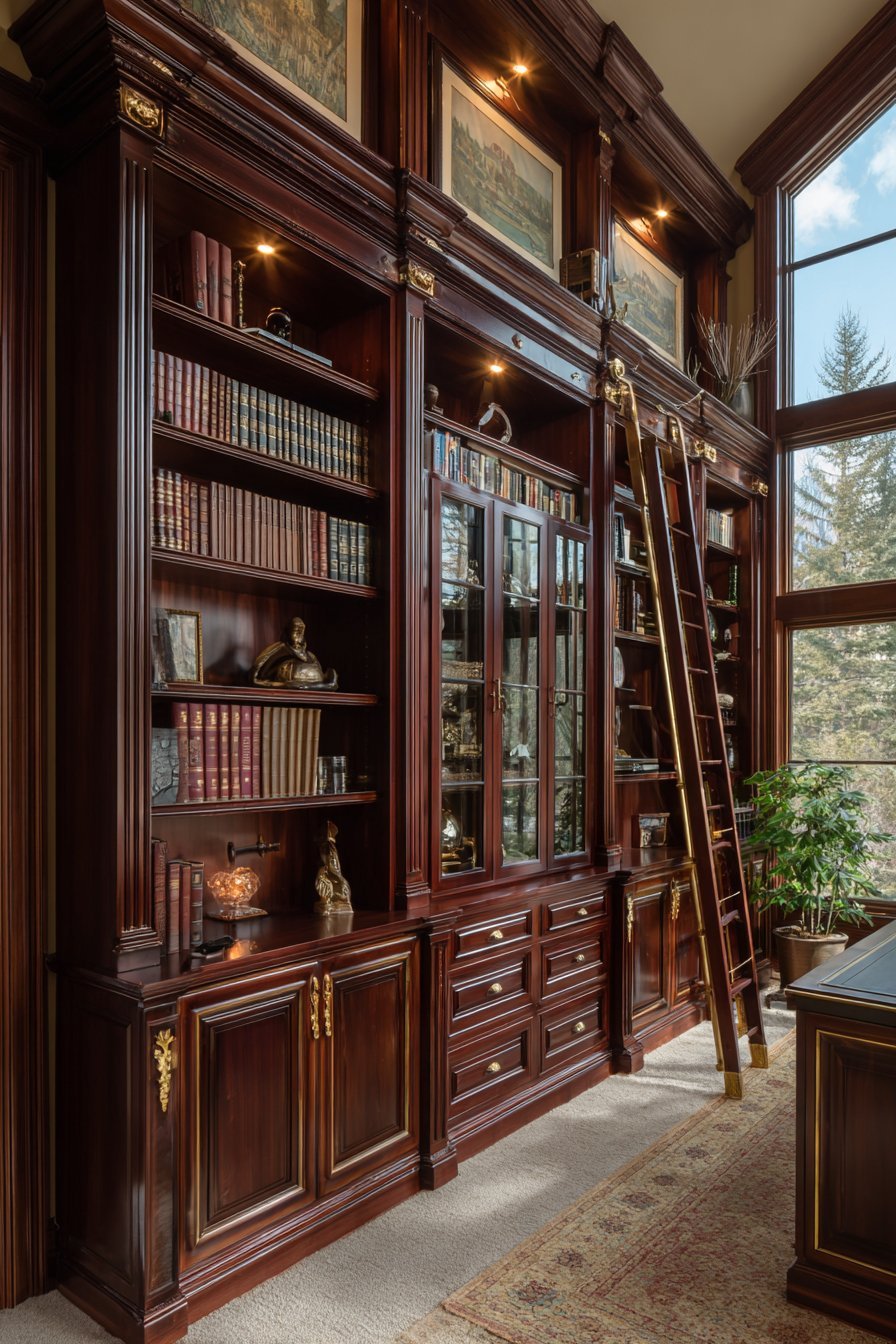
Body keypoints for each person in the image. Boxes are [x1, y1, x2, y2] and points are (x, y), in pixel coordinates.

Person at [250, 616, 338, 689]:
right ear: (288, 632)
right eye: (296, 630)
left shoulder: (311, 656)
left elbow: (329, 683)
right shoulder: (280, 649)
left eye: (302, 630)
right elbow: (256, 671)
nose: (300, 633)